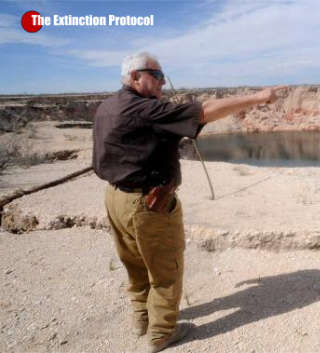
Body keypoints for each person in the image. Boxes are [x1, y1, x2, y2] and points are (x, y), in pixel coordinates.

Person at [92, 51, 286, 352]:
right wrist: (260, 96)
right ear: (135, 77)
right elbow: (205, 111)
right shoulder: (148, 111)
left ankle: (142, 320)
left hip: (115, 198)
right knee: (165, 269)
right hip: (148, 205)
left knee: (135, 264)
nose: (162, 81)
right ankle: (161, 334)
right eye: (156, 76)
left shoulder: (107, 106)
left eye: (162, 76)